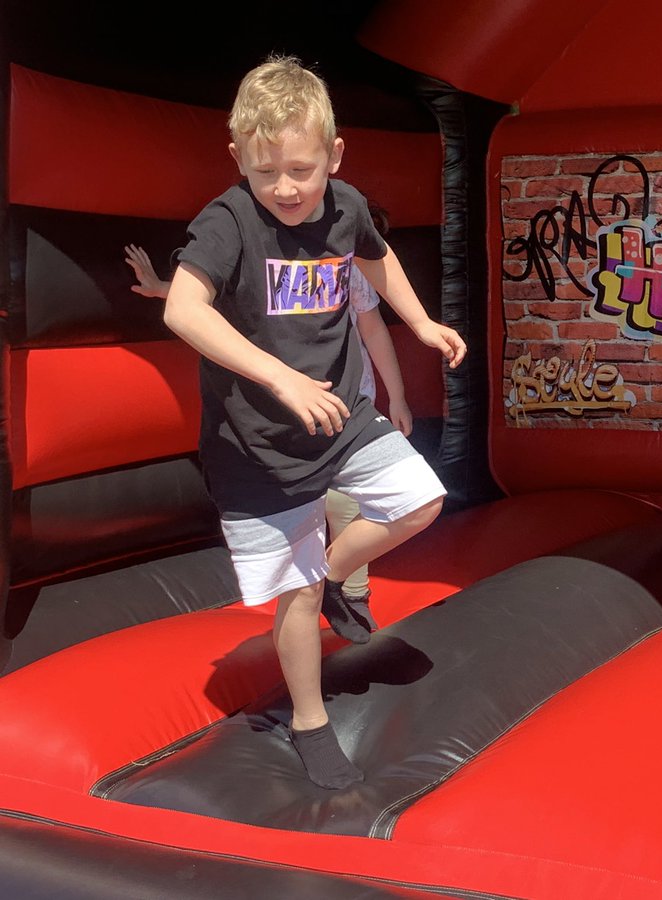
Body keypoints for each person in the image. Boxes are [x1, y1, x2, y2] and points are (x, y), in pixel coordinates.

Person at [160, 55, 465, 790]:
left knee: (421, 500)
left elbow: (378, 257)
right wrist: (280, 377)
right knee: (292, 597)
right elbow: (181, 308)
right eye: (267, 174)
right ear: (239, 161)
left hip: (342, 416)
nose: (287, 189)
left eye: (303, 169)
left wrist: (421, 322)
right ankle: (308, 718)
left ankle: (334, 570)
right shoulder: (229, 222)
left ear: (333, 156)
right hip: (259, 444)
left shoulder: (346, 205)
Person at [127, 202, 412, 628]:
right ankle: (325, 592)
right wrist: (162, 286)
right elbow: (216, 292)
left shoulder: (350, 269)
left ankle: (349, 593)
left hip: (351, 402)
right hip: (292, 409)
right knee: (316, 507)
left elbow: (373, 330)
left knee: (355, 504)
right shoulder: (277, 256)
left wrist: (398, 396)